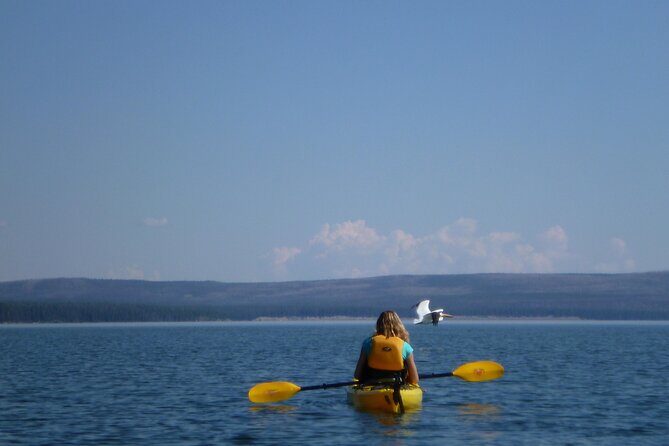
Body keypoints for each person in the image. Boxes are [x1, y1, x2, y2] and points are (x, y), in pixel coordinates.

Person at [354, 310, 419, 385]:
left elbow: (357, 375)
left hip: (372, 385)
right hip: (396, 386)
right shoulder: (405, 347)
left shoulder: (368, 343)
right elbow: (414, 379)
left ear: (378, 325)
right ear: (399, 325)